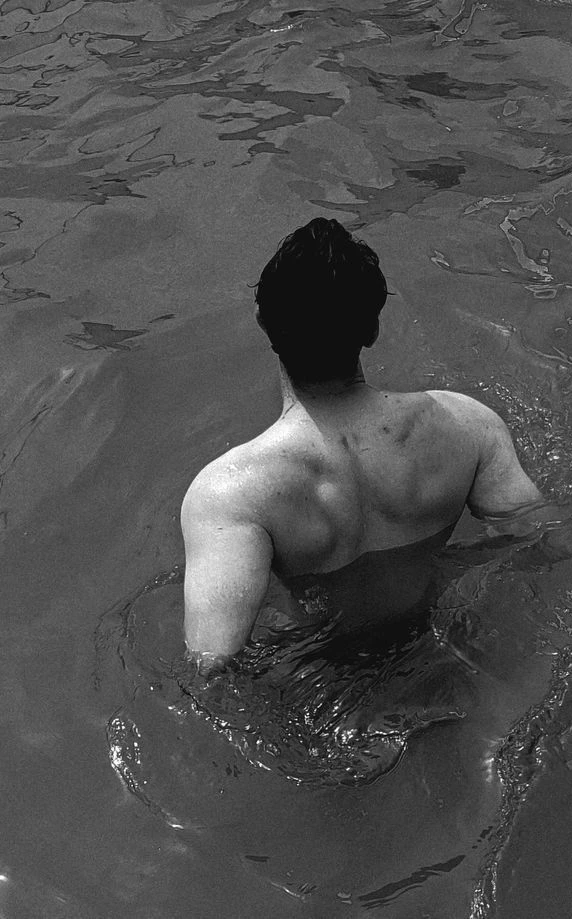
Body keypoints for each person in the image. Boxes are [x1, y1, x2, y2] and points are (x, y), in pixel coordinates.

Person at [182, 218, 548, 669]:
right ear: (372, 330)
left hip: (326, 675)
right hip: (445, 652)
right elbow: (542, 541)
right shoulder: (468, 425)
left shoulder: (231, 494)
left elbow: (214, 665)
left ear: (263, 323)